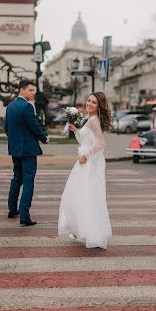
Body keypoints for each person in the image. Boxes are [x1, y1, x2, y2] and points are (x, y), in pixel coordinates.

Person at [58, 92, 113, 249]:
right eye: (88, 100)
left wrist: (86, 156)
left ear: (99, 106)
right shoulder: (90, 119)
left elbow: (101, 144)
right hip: (86, 163)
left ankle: (88, 230)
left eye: (93, 102)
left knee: (85, 195)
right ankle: (81, 229)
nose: (89, 104)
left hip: (88, 163)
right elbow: (86, 140)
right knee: (82, 195)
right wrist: (76, 130)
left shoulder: (94, 120)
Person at [4, 80, 49, 226]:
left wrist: (15, 141)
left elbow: (7, 128)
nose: (33, 93)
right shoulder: (27, 107)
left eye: (33, 90)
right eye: (30, 90)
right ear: (21, 91)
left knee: (17, 177)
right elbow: (34, 126)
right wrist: (44, 138)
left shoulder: (10, 106)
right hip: (28, 150)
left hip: (15, 149)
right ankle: (24, 216)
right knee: (28, 181)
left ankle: (12, 209)